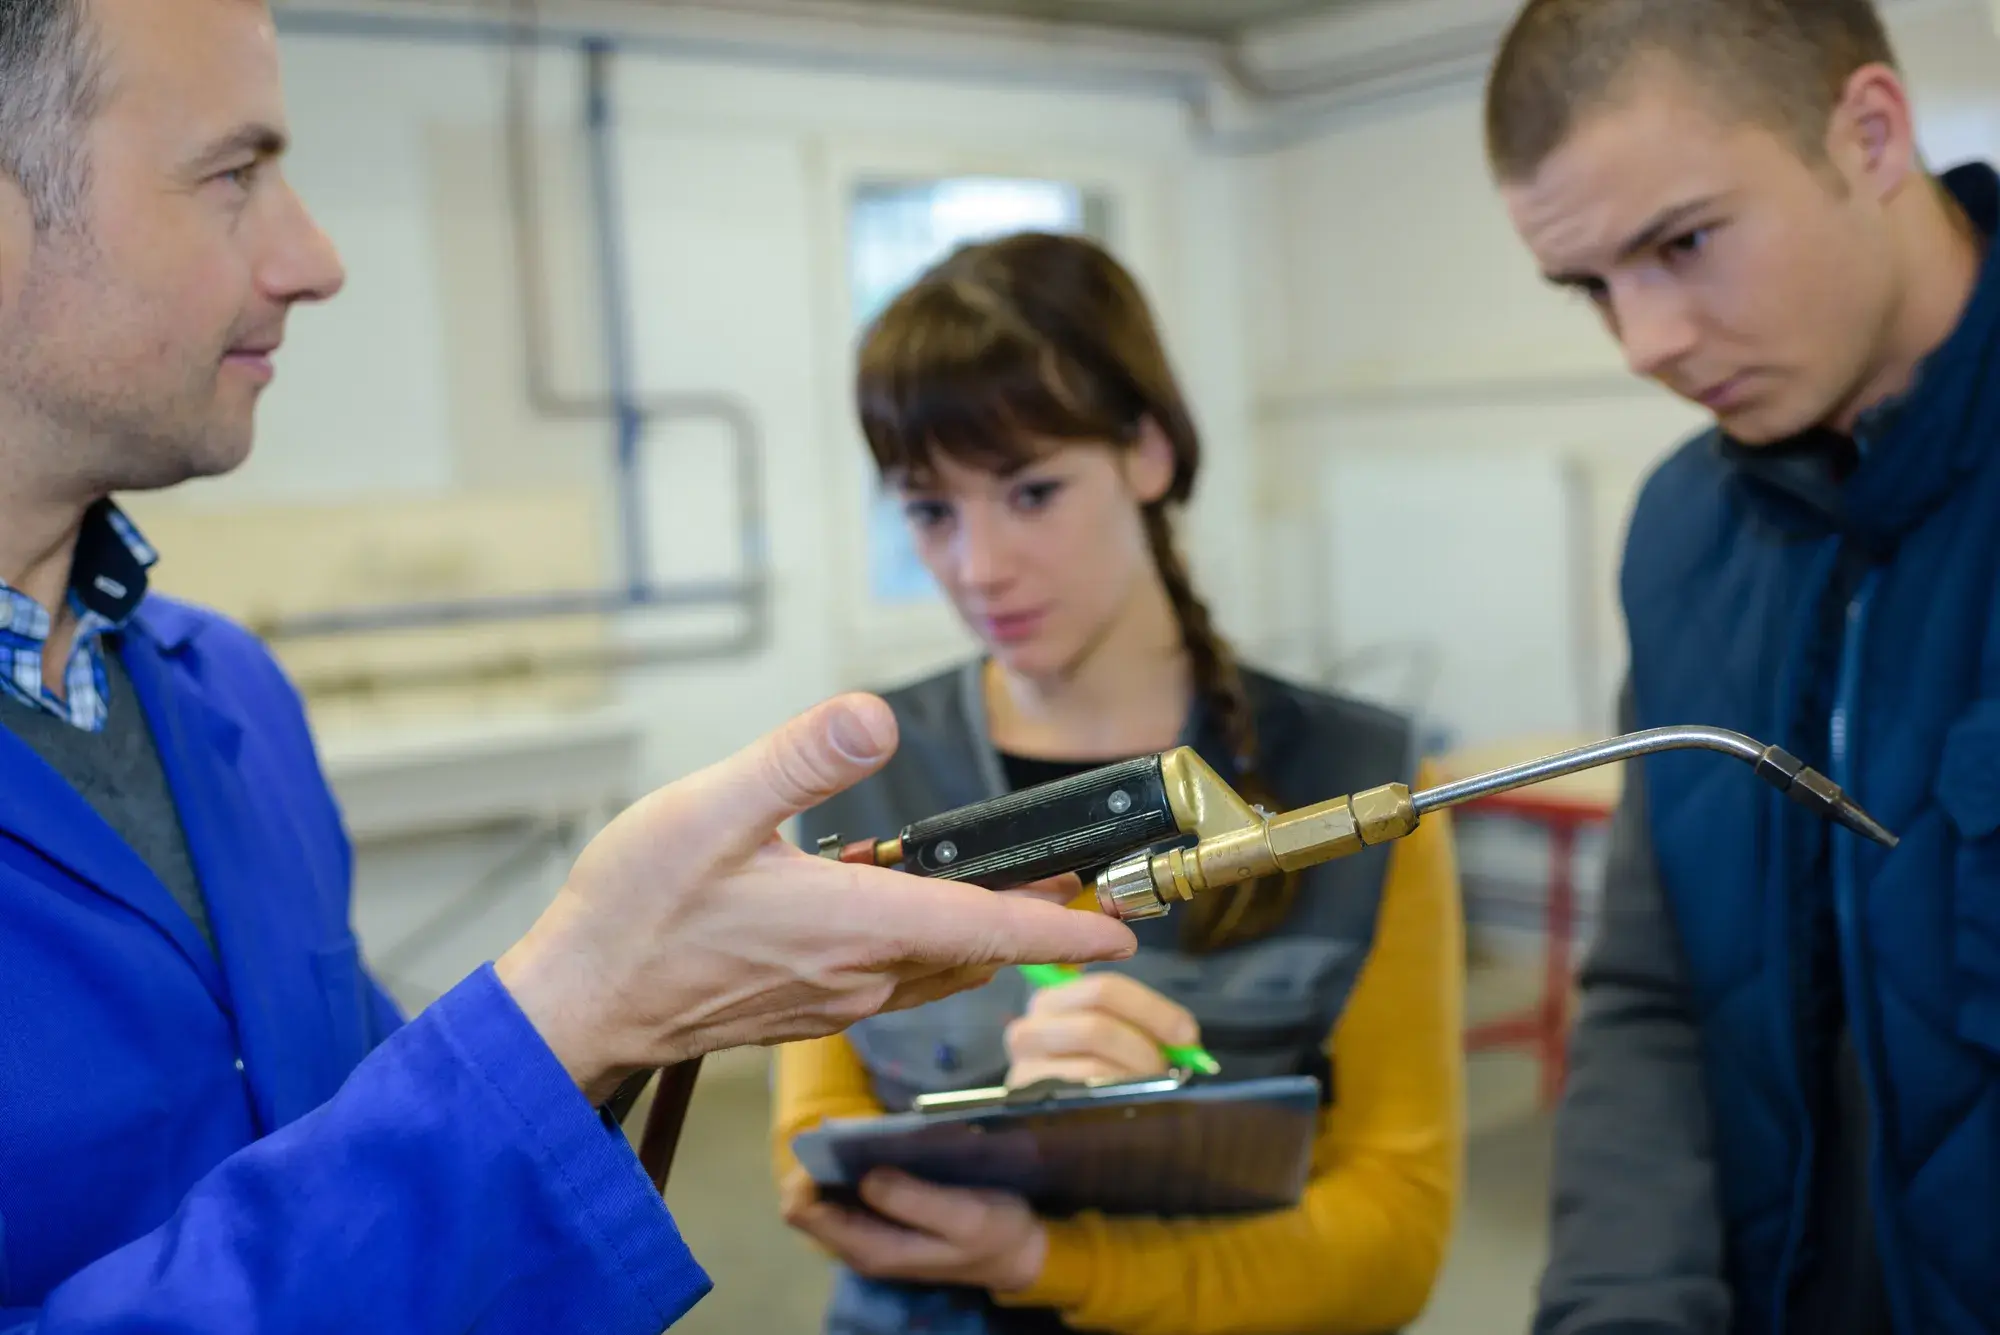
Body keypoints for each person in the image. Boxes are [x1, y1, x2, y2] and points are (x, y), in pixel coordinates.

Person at [0, 2, 1141, 1331]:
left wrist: (619, 1021)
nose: (314, 257)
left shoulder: (225, 691)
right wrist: (575, 1002)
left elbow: (355, 1142)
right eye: (232, 174)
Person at [769, 231, 1466, 1335]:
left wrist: (1050, 1253)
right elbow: (810, 1170)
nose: (977, 567)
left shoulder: (1356, 782)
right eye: (929, 511)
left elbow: (1394, 1237)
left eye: (1031, 492)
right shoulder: (860, 782)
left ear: (1146, 451)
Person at [1482, 2, 2000, 1332]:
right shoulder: (1682, 534)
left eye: (1685, 241)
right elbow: (1657, 993)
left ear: (1870, 132)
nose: (1644, 341)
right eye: (1593, 284)